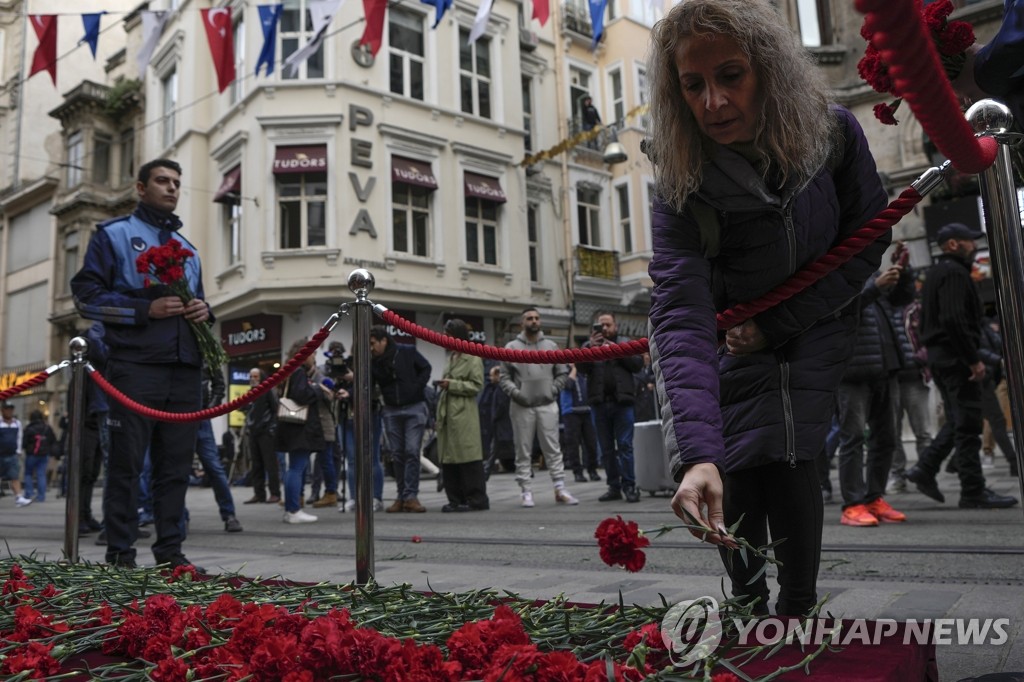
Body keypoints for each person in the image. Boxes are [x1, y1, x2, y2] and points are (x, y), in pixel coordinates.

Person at [646, 0, 890, 616]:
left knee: (789, 452)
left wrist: (779, 321)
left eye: (731, 76)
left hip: (811, 325)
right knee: (733, 460)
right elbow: (679, 309)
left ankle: (798, 608)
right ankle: (749, 602)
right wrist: (695, 454)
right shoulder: (679, 175)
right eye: (693, 85)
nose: (714, 104)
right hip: (726, 342)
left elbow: (869, 241)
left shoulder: (833, 134)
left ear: (769, 70)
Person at [71, 158, 210, 570]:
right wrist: (144, 309)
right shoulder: (113, 235)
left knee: (176, 469)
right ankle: (120, 555)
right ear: (141, 187)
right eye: (162, 181)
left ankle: (170, 553)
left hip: (185, 369)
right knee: (126, 466)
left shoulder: (189, 250)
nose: (171, 188)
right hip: (135, 367)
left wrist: (206, 311)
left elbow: (197, 306)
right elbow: (85, 297)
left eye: (177, 183)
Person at [906, 223, 1018, 509]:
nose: (973, 245)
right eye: (969, 241)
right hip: (956, 359)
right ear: (953, 244)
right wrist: (973, 359)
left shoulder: (936, 273)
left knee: (959, 419)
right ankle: (973, 490)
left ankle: (926, 468)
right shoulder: (954, 273)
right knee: (968, 424)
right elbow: (954, 319)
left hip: (942, 357)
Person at [835, 264, 914, 526]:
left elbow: (902, 300)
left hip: (886, 366)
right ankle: (853, 504)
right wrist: (874, 288)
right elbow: (838, 311)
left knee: (887, 438)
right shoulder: (835, 269)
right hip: (853, 371)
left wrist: (905, 273)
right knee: (853, 438)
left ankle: (873, 497)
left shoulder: (870, 270)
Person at [499, 307, 578, 508]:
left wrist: (552, 390)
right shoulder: (511, 347)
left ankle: (560, 488)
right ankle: (526, 490)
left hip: (547, 404)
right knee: (523, 449)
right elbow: (504, 378)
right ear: (522, 323)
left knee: (553, 448)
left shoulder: (551, 346)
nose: (534, 321)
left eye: (536, 318)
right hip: (521, 406)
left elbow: (562, 373)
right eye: (529, 318)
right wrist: (517, 394)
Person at [578, 312, 643, 503]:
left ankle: (629, 486)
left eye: (608, 325)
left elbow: (638, 364)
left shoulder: (625, 343)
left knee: (624, 446)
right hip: (599, 404)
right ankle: (614, 487)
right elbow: (581, 370)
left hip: (623, 404)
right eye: (601, 325)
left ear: (616, 326)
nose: (604, 329)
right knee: (606, 449)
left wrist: (617, 350)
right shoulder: (588, 346)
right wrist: (590, 348)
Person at [369, 326, 432, 513]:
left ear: (384, 341)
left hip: (414, 406)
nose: (371, 348)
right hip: (391, 409)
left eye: (373, 344)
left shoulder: (407, 351)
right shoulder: (374, 362)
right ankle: (402, 495)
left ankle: (410, 496)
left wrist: (416, 387)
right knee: (397, 453)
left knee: (412, 451)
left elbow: (426, 367)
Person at [275, 338, 332, 523]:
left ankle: (292, 509)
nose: (315, 357)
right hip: (301, 428)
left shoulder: (289, 371)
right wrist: (316, 389)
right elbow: (301, 395)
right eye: (313, 353)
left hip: (291, 427)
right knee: (297, 468)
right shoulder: (298, 372)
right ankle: (293, 510)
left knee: (294, 468)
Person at [434, 319, 489, 512]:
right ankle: (455, 499)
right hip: (448, 412)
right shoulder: (451, 357)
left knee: (467, 456)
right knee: (449, 457)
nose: (445, 338)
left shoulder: (472, 357)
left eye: (448, 335)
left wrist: (452, 384)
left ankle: (475, 498)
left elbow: (477, 385)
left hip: (464, 412)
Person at [194, 365, 242, 532]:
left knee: (215, 468)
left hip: (201, 418)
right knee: (175, 470)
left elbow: (219, 386)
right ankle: (178, 517)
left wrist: (209, 409)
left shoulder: (206, 352)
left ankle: (229, 515)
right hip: (179, 417)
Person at [243, 368, 282, 504]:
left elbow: (275, 409)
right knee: (256, 465)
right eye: (251, 376)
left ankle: (275, 493)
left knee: (270, 464)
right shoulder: (251, 393)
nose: (253, 378)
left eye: (256, 376)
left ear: (261, 377)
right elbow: (248, 411)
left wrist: (271, 428)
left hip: (265, 432)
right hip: (254, 431)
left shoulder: (267, 390)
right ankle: (259, 494)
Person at [559, 364, 601, 483]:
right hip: (571, 412)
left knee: (591, 443)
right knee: (573, 444)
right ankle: (577, 472)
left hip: (587, 411)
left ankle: (592, 470)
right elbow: (568, 385)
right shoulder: (564, 373)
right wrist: (574, 369)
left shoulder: (584, 373)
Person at [21, 410, 56, 503]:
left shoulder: (29, 428)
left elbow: (24, 442)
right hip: (44, 454)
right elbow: (53, 440)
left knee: (28, 474)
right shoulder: (47, 428)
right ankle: (41, 496)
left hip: (32, 454)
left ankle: (28, 493)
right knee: (41, 474)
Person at [1, 403, 30, 507]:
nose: (9, 412)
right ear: (2, 410)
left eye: (11, 410)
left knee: (14, 476)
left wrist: (18, 451)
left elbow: (19, 437)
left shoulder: (17, 423)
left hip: (12, 454)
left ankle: (19, 497)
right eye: (7, 409)